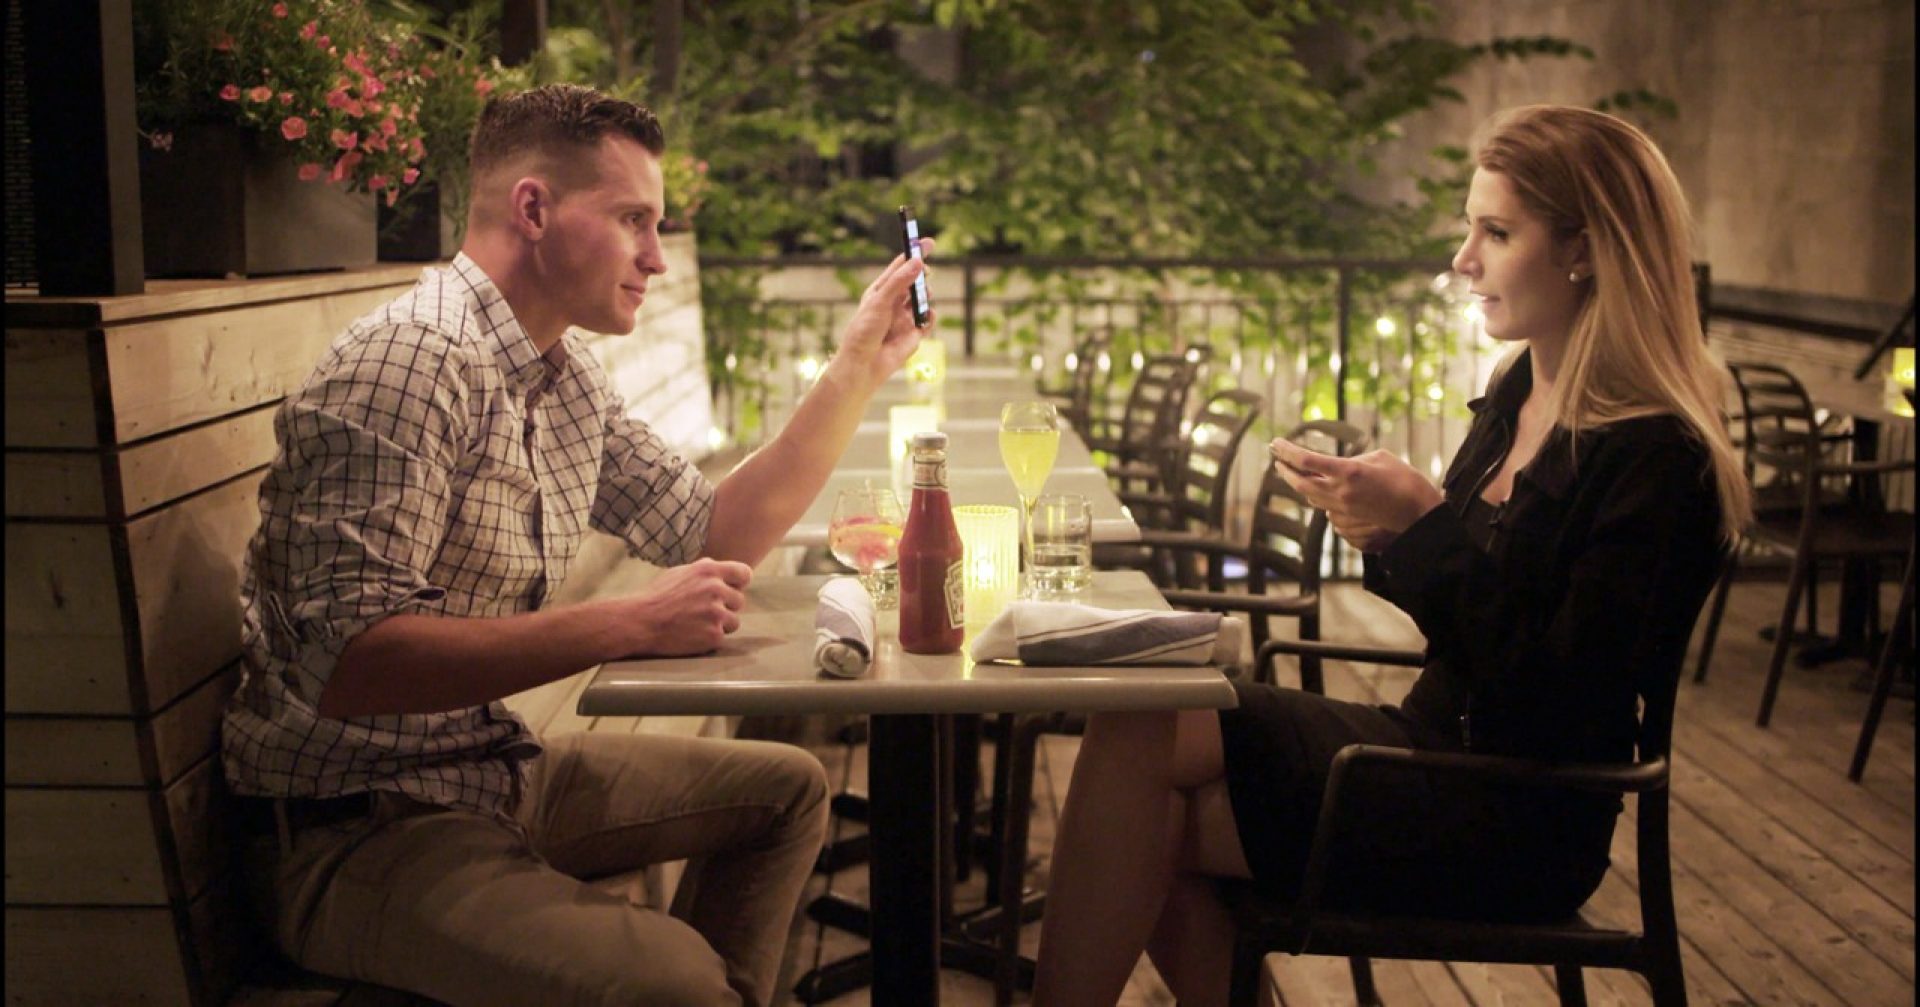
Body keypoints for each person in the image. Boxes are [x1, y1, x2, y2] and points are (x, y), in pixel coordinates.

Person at [222, 83, 934, 1007]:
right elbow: (353, 664)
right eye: (634, 219)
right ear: (533, 209)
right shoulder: (409, 362)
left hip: (484, 770)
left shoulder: (561, 375)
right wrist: (623, 625)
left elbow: (711, 530)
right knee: (675, 986)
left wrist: (855, 370)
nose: (657, 259)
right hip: (357, 828)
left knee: (791, 792)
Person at [1030, 104, 1752, 1006]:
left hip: (1521, 809)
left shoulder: (1657, 457)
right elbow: (1466, 602)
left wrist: (1424, 526)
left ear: (1585, 249)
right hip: (1427, 741)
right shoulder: (1519, 386)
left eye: (1495, 231)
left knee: (1145, 809)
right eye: (1469, 230)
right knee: (1144, 720)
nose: (1463, 261)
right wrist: (1383, 528)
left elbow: (1562, 694)